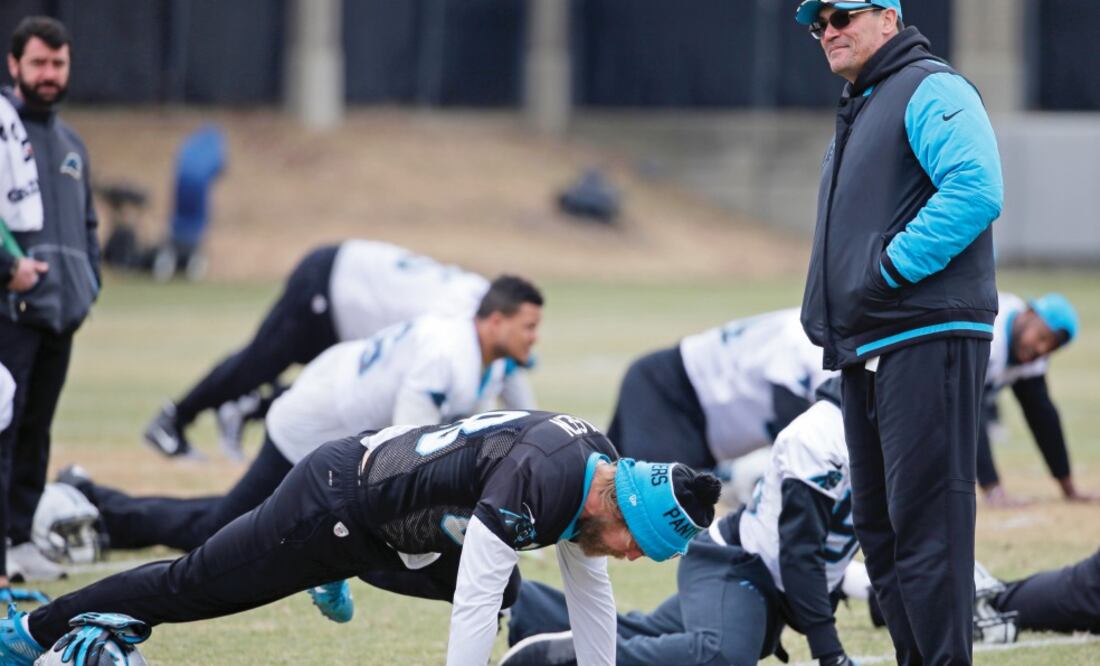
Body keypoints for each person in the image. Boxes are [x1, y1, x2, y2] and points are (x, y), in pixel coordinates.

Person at [0, 410, 722, 665]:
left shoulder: (597, 473)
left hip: (388, 521)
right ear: (626, 509)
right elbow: (468, 601)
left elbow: (589, 597)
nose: (630, 559)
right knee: (189, 588)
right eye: (640, 546)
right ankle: (31, 630)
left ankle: (341, 568)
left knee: (506, 585)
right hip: (333, 503)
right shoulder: (544, 478)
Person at [795, 1, 1004, 663]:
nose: (828, 31)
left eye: (841, 16)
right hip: (870, 343)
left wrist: (888, 270)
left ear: (888, 17)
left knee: (929, 533)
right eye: (817, 23)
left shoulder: (929, 85)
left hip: (924, 332)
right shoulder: (864, 104)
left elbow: (975, 188)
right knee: (881, 534)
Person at [60, 276, 544, 556]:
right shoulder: (449, 357)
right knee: (223, 536)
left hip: (331, 404)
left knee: (240, 519)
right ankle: (93, 501)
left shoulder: (481, 357)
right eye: (529, 326)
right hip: (312, 427)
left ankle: (98, 506)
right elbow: (406, 449)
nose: (534, 338)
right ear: (495, 321)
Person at [501, 378, 861, 666]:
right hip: (734, 566)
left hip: (756, 576)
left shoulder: (881, 436)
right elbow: (801, 553)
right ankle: (567, 659)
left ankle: (530, 609)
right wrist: (830, 653)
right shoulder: (821, 438)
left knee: (650, 632)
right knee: (722, 654)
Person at [143, 239, 509, 459]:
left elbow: (501, 374)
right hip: (333, 280)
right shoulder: (453, 320)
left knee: (331, 391)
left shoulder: (477, 300)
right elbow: (493, 376)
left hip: (350, 303)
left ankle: (247, 408)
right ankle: (174, 418)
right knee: (260, 361)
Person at [0, 16, 100, 584]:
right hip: (10, 312)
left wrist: (89, 283)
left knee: (37, 431)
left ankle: (20, 536)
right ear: (14, 64)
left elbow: (87, 225)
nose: (48, 74)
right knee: (4, 431)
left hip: (61, 313)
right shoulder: (3, 131)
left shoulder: (70, 143)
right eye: (38, 62)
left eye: (57, 64)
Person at [608, 308, 835, 470]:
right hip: (669, 393)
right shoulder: (812, 336)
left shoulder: (820, 324)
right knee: (656, 513)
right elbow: (791, 416)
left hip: (700, 422)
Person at [978, 292, 1096, 506]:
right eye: (1042, 337)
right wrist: (992, 488)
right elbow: (966, 413)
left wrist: (1069, 488)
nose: (1041, 349)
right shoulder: (990, 335)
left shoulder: (1027, 354)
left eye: (1050, 347)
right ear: (1028, 314)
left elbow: (1043, 418)